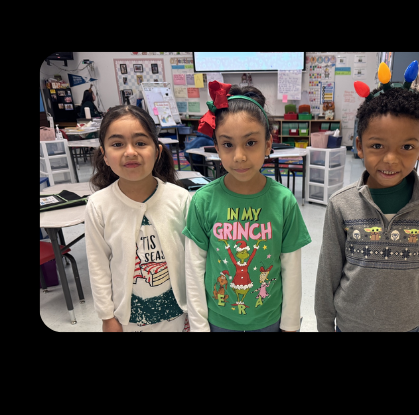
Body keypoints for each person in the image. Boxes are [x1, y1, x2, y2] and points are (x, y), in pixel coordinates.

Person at [315, 83, 419, 332]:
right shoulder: (340, 204)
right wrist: (324, 325)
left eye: (407, 147)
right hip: (349, 325)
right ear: (359, 146)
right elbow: (328, 273)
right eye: (377, 146)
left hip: (406, 326)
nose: (390, 159)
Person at [183, 81, 311, 332]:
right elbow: (194, 268)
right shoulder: (203, 200)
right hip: (218, 321)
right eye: (228, 144)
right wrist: (199, 326)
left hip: (269, 320)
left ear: (268, 144)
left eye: (250, 143)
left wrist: (291, 325)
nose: (239, 156)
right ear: (217, 147)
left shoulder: (284, 201)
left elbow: (292, 269)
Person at [84, 105, 191, 332]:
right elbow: (98, 266)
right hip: (128, 319)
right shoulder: (99, 205)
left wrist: (195, 309)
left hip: (178, 314)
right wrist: (106, 316)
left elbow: (193, 259)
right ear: (104, 154)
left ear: (158, 150)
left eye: (141, 143)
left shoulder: (180, 199)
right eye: (117, 144)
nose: (130, 152)